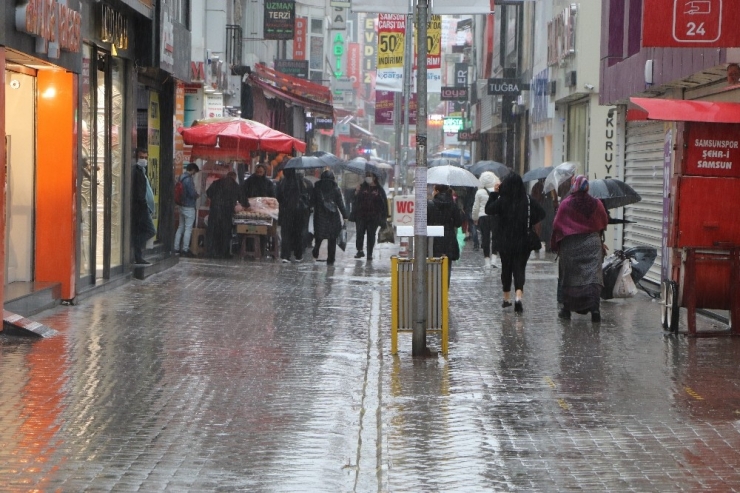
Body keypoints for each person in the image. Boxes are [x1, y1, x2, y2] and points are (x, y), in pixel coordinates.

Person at [550, 175, 609, 322]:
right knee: (593, 277)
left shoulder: (566, 204)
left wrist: (557, 242)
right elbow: (604, 221)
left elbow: (557, 224)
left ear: (574, 187)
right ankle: (594, 309)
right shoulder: (597, 203)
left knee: (569, 276)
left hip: (571, 245)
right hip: (592, 244)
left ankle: (567, 309)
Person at [485, 173, 545, 313]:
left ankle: (507, 298)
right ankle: (518, 296)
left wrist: (494, 194)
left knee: (506, 268)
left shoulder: (502, 201)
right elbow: (542, 213)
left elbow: (489, 210)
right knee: (519, 269)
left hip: (505, 242)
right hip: (523, 241)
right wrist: (529, 221)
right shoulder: (528, 201)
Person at [427, 184, 464, 284]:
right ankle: (444, 292)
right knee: (446, 266)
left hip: (433, 241)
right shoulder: (453, 205)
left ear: (437, 191)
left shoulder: (430, 205)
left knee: (433, 265)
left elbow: (426, 223)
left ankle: (434, 290)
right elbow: (458, 223)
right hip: (449, 240)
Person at [310, 169, 347, 266]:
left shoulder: (317, 188)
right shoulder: (335, 189)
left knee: (319, 236)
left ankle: (316, 249)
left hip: (319, 215)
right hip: (332, 216)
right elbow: (340, 204)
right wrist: (345, 215)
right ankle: (330, 259)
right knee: (332, 238)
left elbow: (312, 202)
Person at [206, 171, 243, 259]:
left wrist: (216, 201)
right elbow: (241, 198)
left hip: (215, 211)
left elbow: (208, 193)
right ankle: (224, 253)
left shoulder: (216, 183)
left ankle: (212, 252)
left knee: (213, 232)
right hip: (226, 213)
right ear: (234, 177)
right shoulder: (235, 186)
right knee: (225, 233)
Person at [352, 171, 387, 261]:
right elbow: (355, 200)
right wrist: (356, 192)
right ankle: (359, 250)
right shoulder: (362, 187)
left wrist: (383, 217)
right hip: (361, 215)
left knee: (371, 235)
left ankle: (369, 253)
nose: (367, 177)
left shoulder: (379, 189)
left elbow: (384, 204)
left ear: (374, 177)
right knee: (359, 233)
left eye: (369, 176)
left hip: (373, 217)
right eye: (366, 176)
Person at [276, 168, 308, 263]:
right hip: (298, 213)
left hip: (286, 212)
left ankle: (286, 255)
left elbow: (278, 196)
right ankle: (298, 255)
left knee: (286, 234)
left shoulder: (282, 182)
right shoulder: (299, 181)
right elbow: (305, 195)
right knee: (298, 234)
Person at [472, 171, 501, 269]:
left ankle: (487, 261)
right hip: (495, 216)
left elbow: (476, 207)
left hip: (483, 216)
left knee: (485, 238)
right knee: (496, 237)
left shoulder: (479, 192)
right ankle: (494, 259)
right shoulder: (497, 190)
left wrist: (475, 218)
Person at [132, 148, 156, 265]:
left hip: (142, 207)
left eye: (146, 158)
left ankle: (138, 254)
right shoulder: (136, 172)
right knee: (150, 230)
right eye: (142, 157)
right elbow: (138, 192)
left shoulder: (142, 171)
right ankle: (137, 248)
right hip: (140, 208)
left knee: (141, 231)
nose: (144, 160)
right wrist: (143, 204)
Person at [173, 162, 200, 257]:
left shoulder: (181, 177)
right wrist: (197, 195)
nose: (194, 173)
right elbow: (192, 193)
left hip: (181, 205)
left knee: (181, 227)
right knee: (188, 229)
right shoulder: (188, 179)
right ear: (192, 170)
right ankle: (185, 249)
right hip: (189, 206)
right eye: (195, 172)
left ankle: (176, 248)